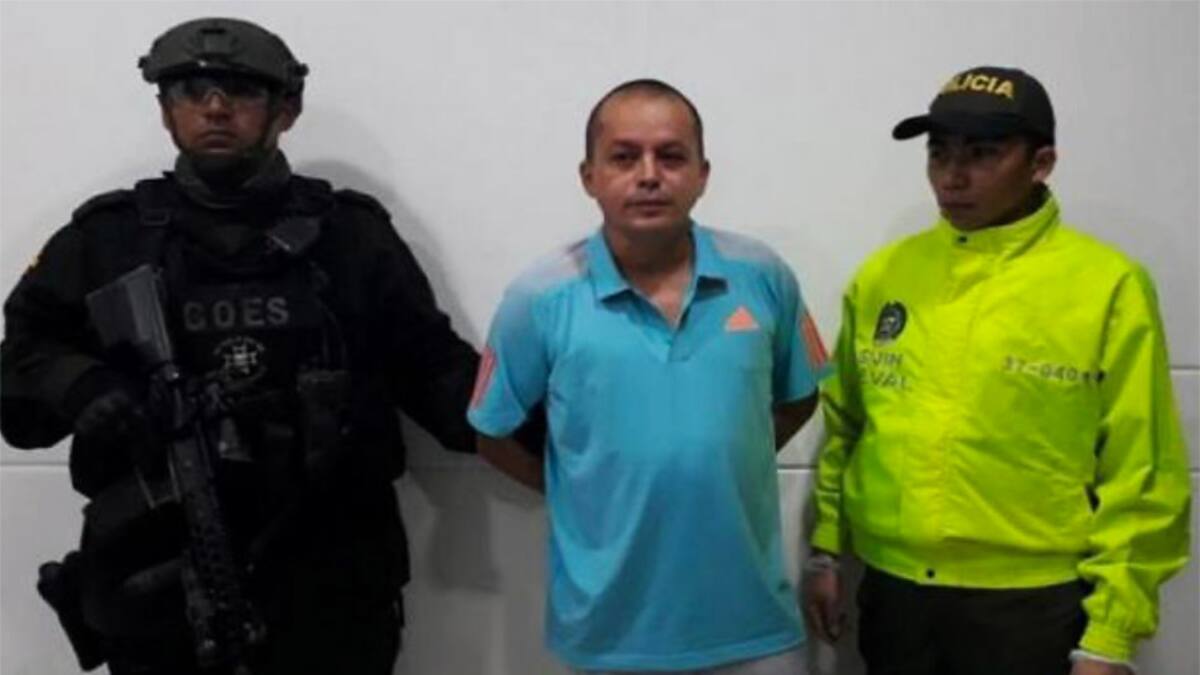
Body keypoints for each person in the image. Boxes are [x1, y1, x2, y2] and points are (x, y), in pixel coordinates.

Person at [0, 17, 481, 674]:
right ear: (165, 110)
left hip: (328, 587)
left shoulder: (350, 237)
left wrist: (555, 428)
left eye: (241, 89)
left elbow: (436, 371)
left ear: (288, 108)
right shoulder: (106, 240)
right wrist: (83, 387)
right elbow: (21, 363)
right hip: (161, 587)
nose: (215, 107)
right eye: (190, 91)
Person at [803, 65, 1191, 675]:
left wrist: (1109, 637)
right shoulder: (886, 275)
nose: (952, 177)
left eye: (982, 154)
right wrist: (826, 551)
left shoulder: (1106, 285)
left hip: (1031, 606)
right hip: (895, 597)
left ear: (1042, 163)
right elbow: (847, 425)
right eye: (938, 153)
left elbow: (1142, 469)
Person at [468, 78, 830, 674]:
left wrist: (726, 466)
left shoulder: (763, 275)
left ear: (703, 174)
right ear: (588, 176)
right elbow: (492, 434)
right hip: (608, 631)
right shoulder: (539, 297)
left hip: (750, 623)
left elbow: (799, 397)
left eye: (671, 156)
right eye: (623, 156)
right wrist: (582, 492)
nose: (648, 175)